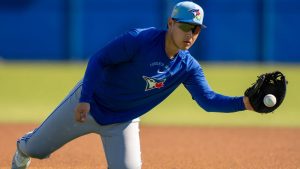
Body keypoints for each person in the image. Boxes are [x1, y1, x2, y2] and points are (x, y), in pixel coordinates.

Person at [11, 1, 253, 169]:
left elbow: (208, 101)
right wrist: (84, 98)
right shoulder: (140, 40)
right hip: (88, 104)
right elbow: (99, 60)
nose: (190, 34)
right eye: (185, 26)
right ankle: (23, 148)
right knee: (37, 150)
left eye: (196, 29)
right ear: (170, 23)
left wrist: (246, 103)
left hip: (122, 120)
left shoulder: (188, 67)